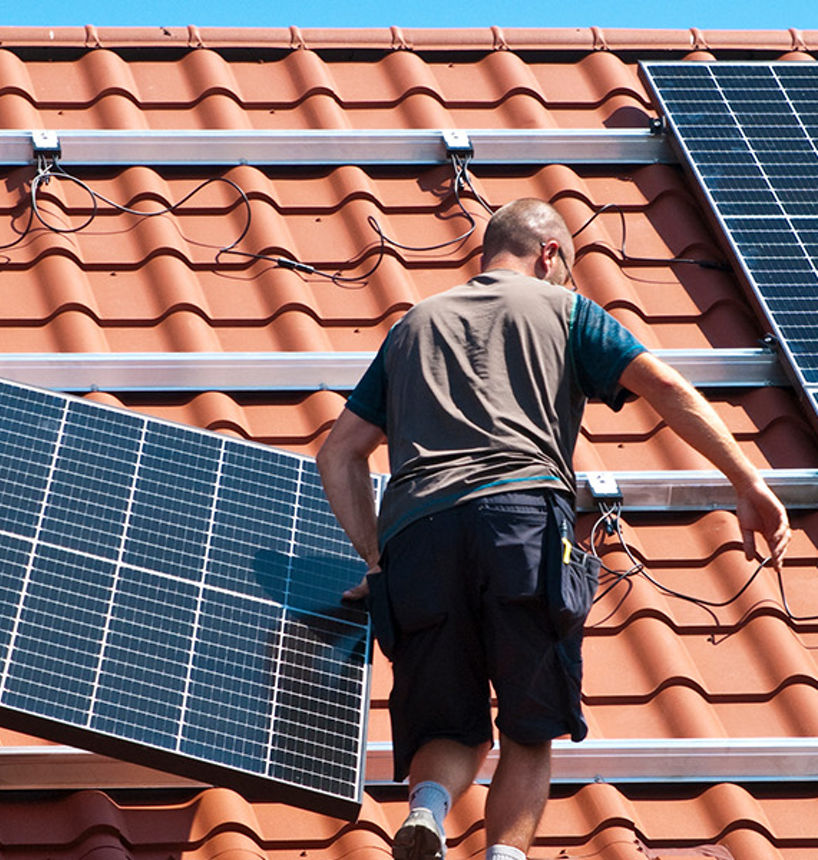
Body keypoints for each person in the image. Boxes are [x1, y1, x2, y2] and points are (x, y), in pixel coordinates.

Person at [316, 198, 791, 860]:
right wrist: (747, 481)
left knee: (448, 726)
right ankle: (504, 855)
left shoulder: (411, 328)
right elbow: (661, 385)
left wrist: (377, 563)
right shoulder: (564, 310)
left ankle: (427, 807)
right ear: (551, 254)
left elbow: (338, 453)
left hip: (418, 535)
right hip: (522, 523)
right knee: (527, 727)